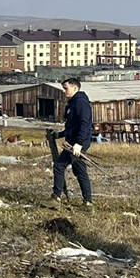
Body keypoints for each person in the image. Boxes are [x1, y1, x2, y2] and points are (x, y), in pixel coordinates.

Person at [51, 77, 93, 206]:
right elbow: (72, 127)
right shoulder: (72, 102)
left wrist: (79, 144)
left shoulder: (81, 103)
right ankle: (88, 201)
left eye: (66, 88)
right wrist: (60, 134)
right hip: (74, 141)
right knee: (80, 171)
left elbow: (84, 124)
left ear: (75, 88)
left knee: (59, 166)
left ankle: (56, 197)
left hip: (78, 142)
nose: (64, 91)